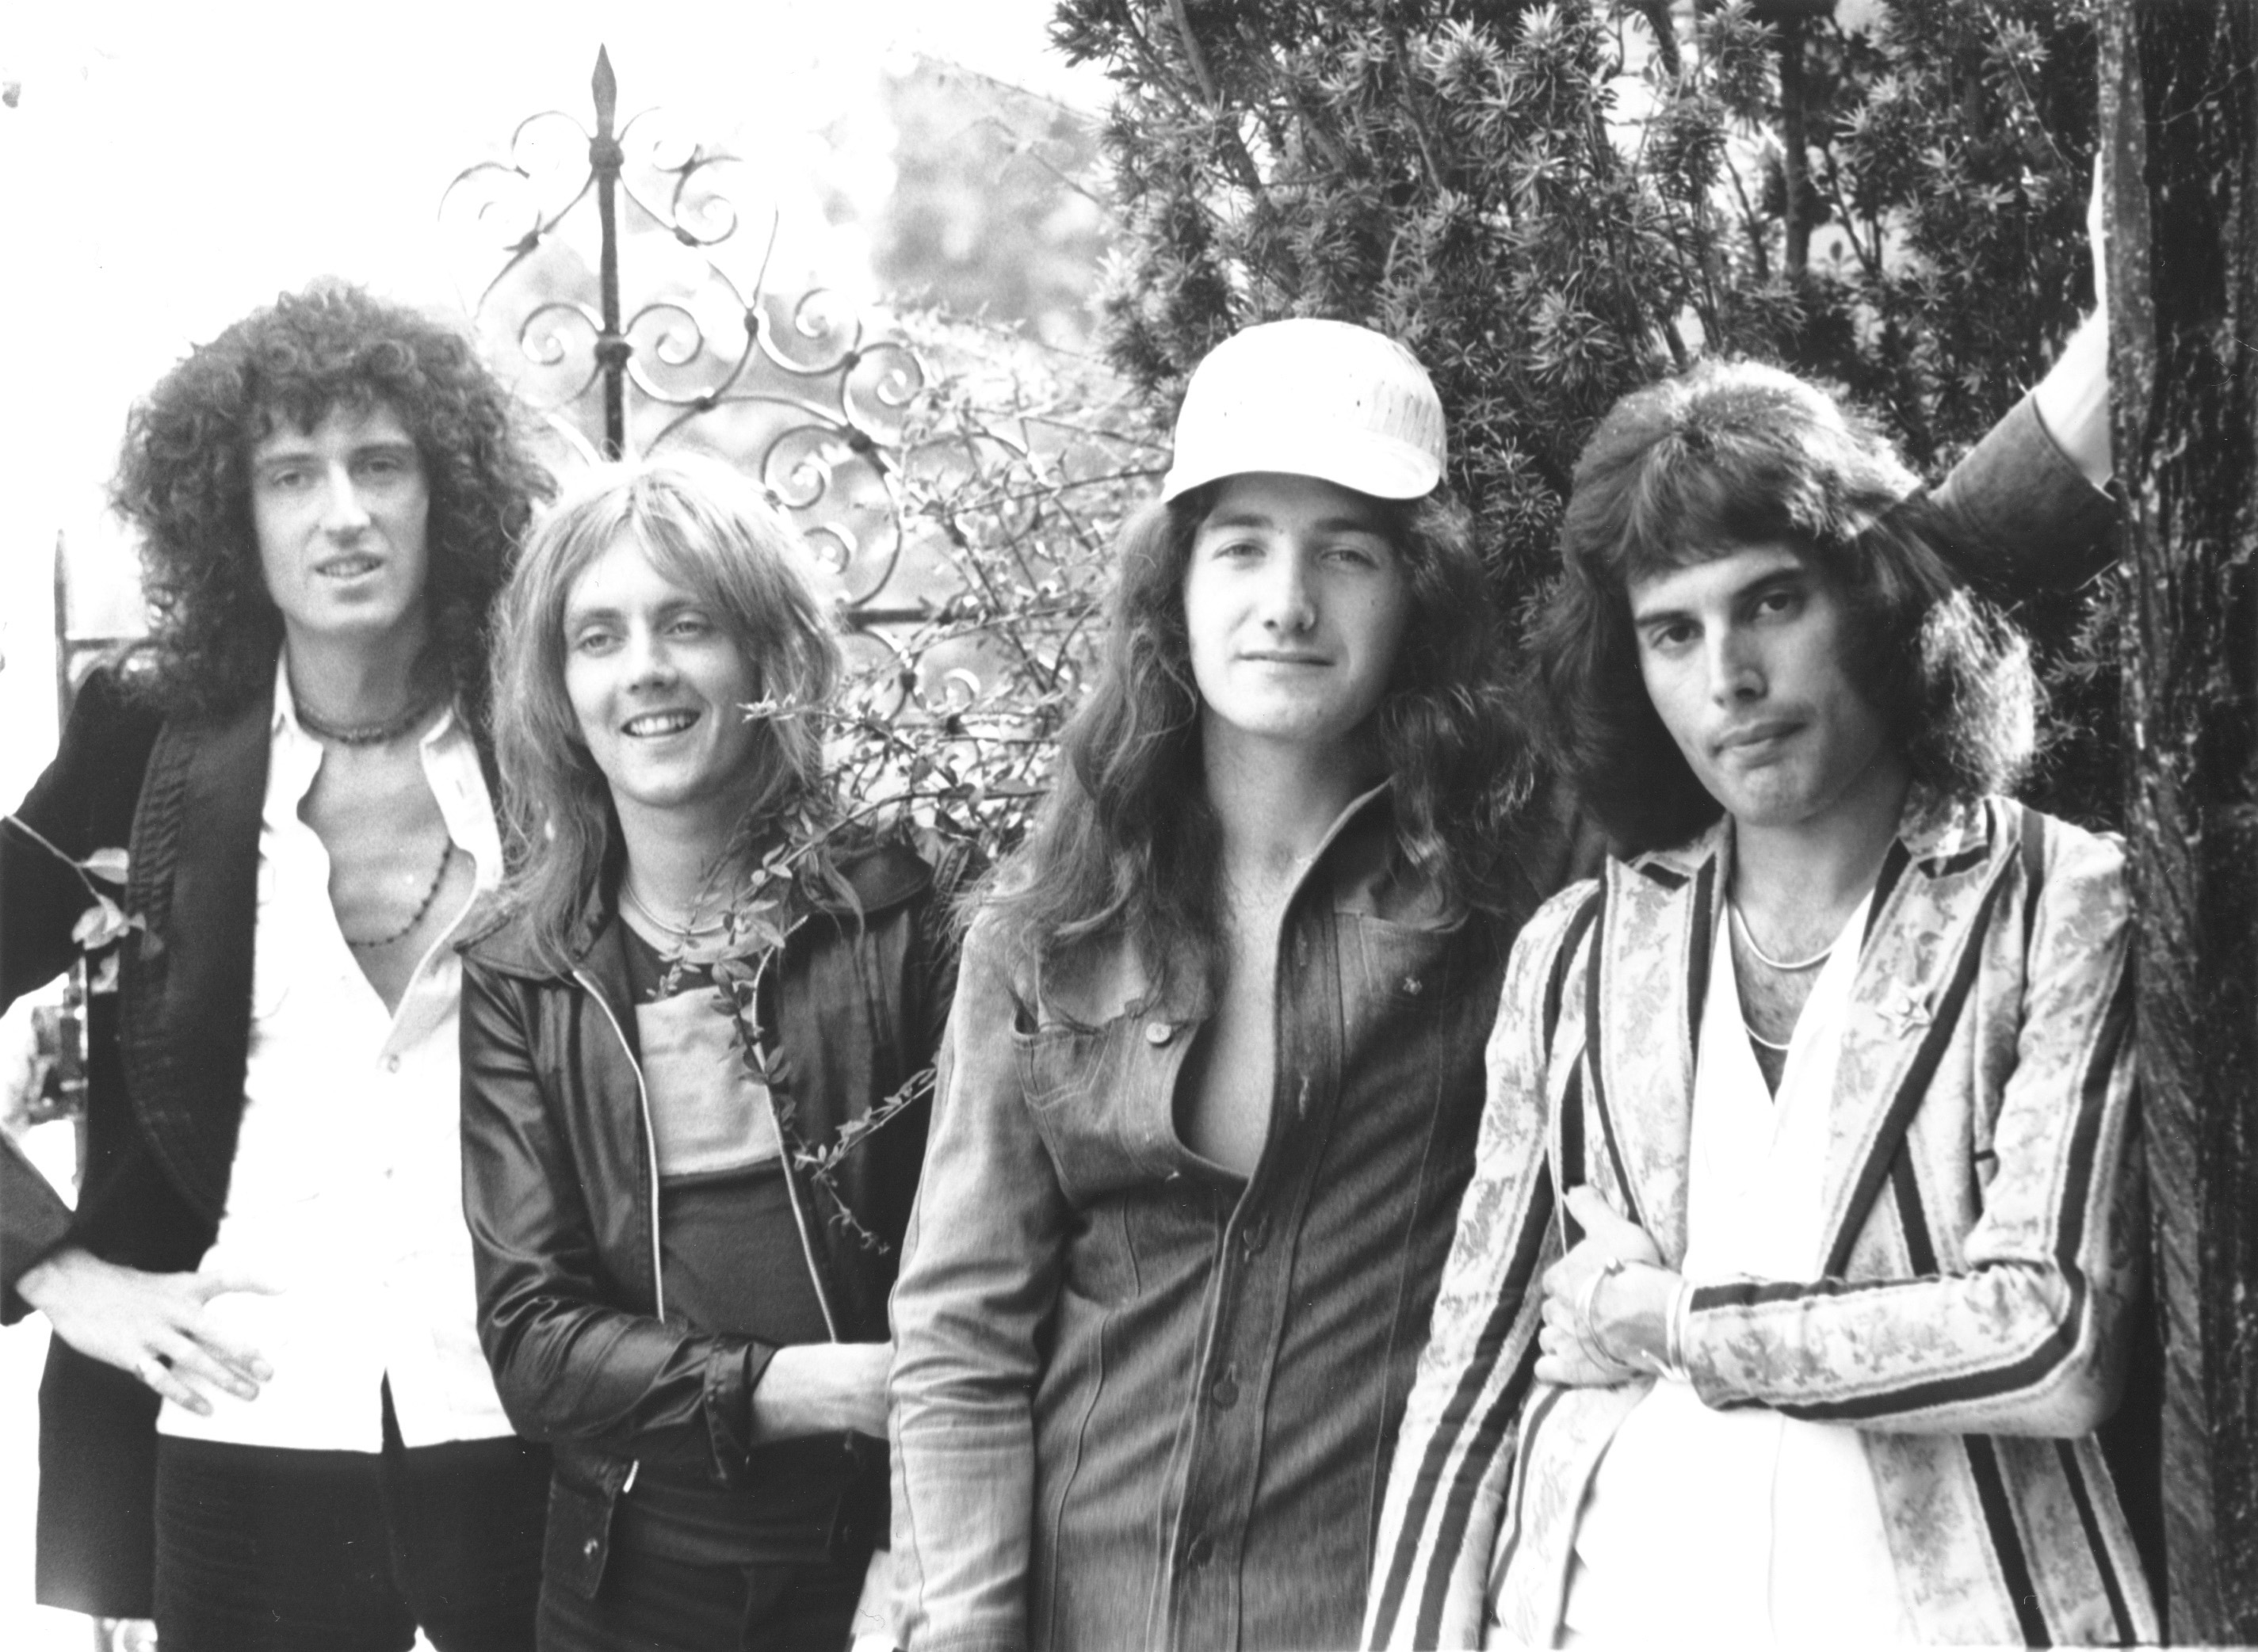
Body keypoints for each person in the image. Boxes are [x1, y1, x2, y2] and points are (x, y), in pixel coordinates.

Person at [884, 308, 2123, 1652]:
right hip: (1095, 1602)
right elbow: (959, 1333)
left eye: (1345, 553)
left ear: (1414, 588)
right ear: (1170, 587)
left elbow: (1809, 609)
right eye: (1239, 547)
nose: (1287, 601)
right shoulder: (1050, 923)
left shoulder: (1514, 861)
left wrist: (2103, 375)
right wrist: (963, 1628)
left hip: (1354, 1591)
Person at [1366, 361, 2155, 1648]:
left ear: (1872, 603)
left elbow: (2049, 1338)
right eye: (1671, 630)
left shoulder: (2054, 896)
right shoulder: (1581, 949)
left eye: (1770, 602)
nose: (1726, 675)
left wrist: (1668, 1320)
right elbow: (1473, 1371)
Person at [1, 282, 554, 1650]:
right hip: (241, 1420)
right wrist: (59, 1274)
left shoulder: (548, 727)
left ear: (449, 494)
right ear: (229, 515)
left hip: (536, 1414)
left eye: (382, 465)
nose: (343, 514)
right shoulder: (143, 737)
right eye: (290, 475)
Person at [460, 459, 960, 1650]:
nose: (645, 668)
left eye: (689, 623)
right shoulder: (524, 968)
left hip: (896, 1555)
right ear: (558, 687)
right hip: (632, 1584)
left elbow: (997, 1248)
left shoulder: (905, 906)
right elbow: (532, 1338)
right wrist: (817, 1385)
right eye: (598, 636)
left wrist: (918, 1526)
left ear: (766, 661)